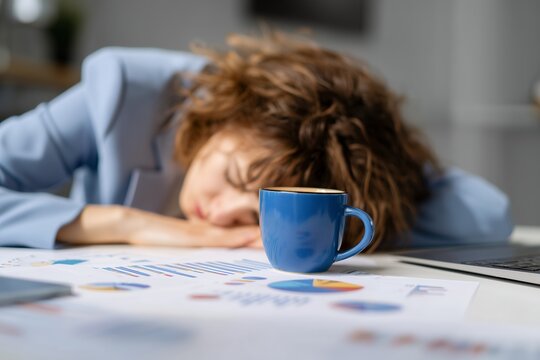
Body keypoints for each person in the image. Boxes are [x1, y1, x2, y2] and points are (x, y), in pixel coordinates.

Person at [0, 32, 513, 251]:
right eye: (235, 178)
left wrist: (382, 156)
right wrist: (125, 224)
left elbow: (489, 214)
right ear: (229, 114)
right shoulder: (121, 92)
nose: (223, 216)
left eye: (255, 213)